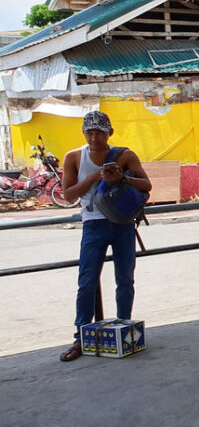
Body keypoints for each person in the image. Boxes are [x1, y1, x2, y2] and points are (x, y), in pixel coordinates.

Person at [58, 111, 152, 362]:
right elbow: (68, 195)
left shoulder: (125, 155)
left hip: (121, 222)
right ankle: (80, 337)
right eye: (89, 132)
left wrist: (121, 178)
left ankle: (124, 328)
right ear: (84, 133)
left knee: (125, 279)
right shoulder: (74, 157)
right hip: (93, 224)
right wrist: (95, 176)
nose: (94, 136)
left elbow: (147, 185)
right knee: (87, 280)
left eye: (99, 131)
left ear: (110, 132)